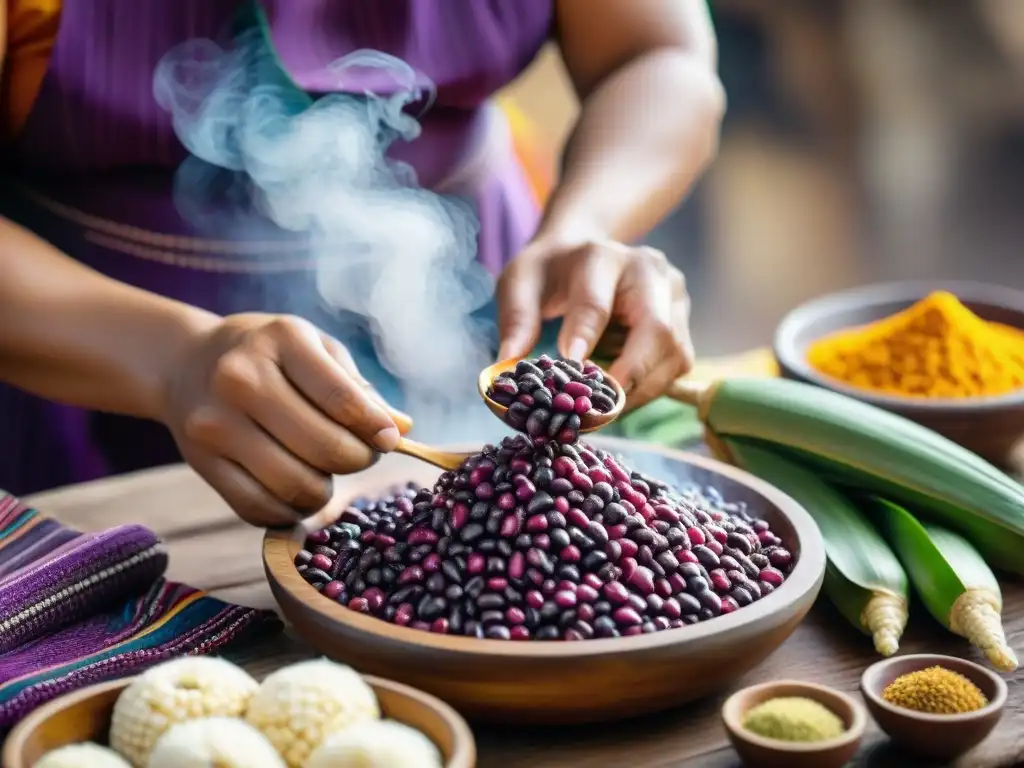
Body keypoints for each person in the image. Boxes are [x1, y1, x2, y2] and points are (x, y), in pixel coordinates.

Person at [0, 0, 724, 525]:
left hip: (490, 283)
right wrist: (170, 361)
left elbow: (657, 54)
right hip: (86, 359)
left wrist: (583, 224)